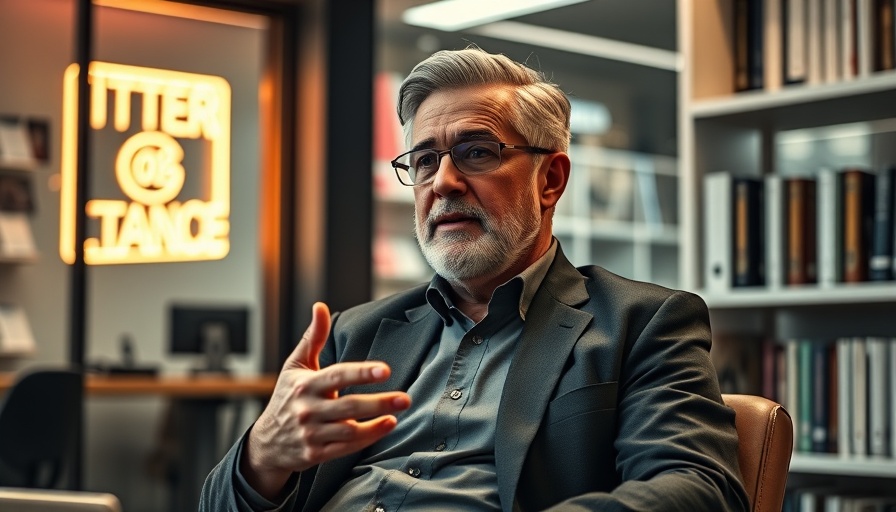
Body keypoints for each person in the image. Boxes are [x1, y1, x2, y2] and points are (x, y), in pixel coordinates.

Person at [200, 46, 750, 512]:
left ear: (550, 180)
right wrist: (262, 455)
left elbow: (699, 489)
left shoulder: (641, 323)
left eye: (477, 153)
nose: (443, 182)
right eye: (424, 161)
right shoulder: (354, 333)